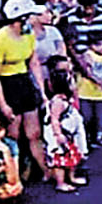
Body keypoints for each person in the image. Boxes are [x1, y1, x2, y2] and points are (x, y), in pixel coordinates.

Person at [0, 0, 50, 181]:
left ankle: (45, 170)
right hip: (7, 85)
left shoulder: (29, 35)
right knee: (13, 134)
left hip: (24, 82)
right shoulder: (0, 39)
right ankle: (13, 173)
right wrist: (3, 104)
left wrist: (42, 91)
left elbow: (34, 62)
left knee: (34, 132)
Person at [41, 62, 88, 193]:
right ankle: (60, 182)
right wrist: (58, 134)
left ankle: (71, 177)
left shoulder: (67, 99)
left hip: (69, 134)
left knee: (71, 156)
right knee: (60, 160)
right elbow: (54, 119)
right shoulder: (58, 102)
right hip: (60, 135)